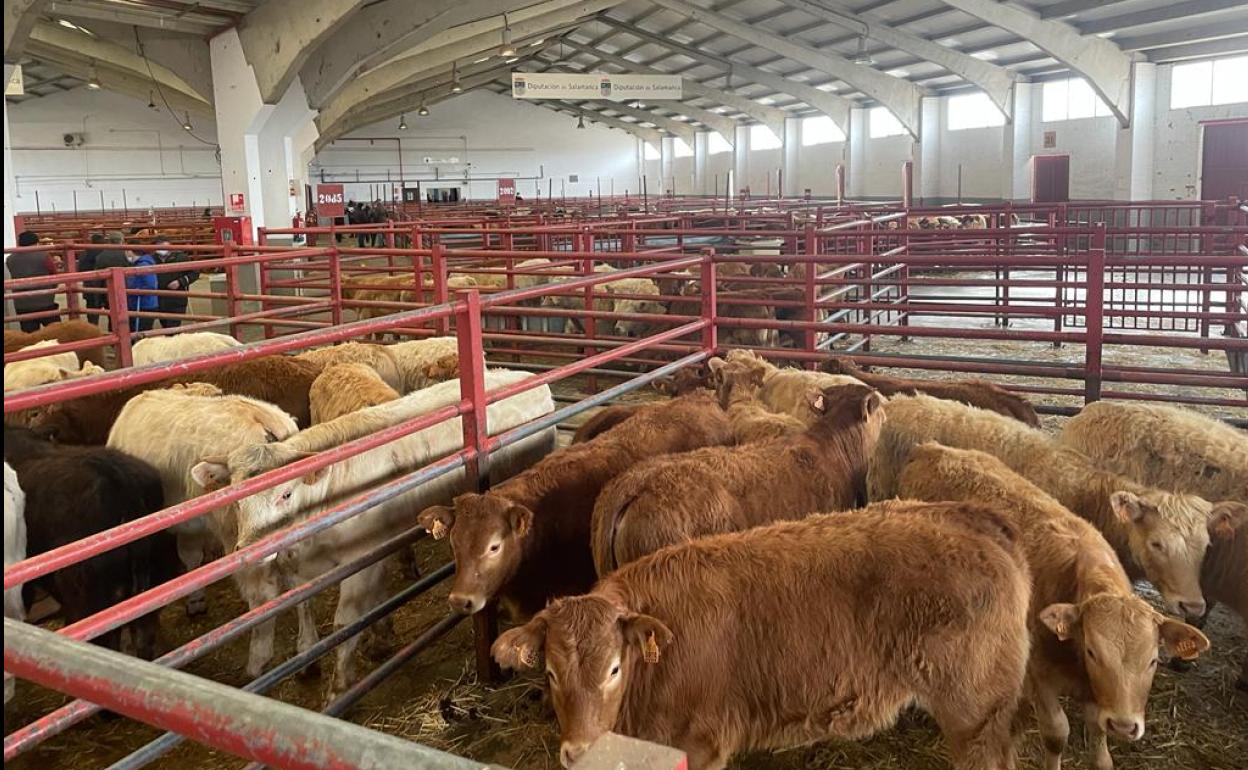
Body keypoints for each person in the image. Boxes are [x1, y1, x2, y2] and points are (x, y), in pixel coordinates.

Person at [8, 231, 61, 332]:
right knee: (55, 333)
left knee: (30, 336)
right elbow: (54, 275)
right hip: (45, 301)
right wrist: (52, 288)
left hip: (22, 303)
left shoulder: (10, 259)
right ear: (36, 242)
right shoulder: (43, 255)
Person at [151, 238, 198, 328]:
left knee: (173, 326)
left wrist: (180, 282)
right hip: (160, 298)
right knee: (165, 325)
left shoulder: (181, 258)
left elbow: (194, 273)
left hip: (177, 299)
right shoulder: (152, 260)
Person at [93, 232, 131, 331]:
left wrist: (98, 296)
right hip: (126, 289)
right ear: (121, 241)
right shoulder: (126, 253)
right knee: (127, 313)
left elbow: (98, 277)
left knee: (112, 315)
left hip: (108, 291)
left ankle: (114, 335)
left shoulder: (101, 255)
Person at [124, 248, 158, 334]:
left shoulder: (143, 265)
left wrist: (135, 290)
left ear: (130, 252)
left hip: (143, 304)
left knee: (140, 332)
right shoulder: (140, 264)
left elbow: (150, 285)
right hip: (141, 303)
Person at [79, 233, 107, 326]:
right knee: (111, 309)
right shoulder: (105, 252)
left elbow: (81, 269)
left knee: (92, 312)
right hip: (105, 284)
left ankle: (93, 331)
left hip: (90, 285)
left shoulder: (85, 253)